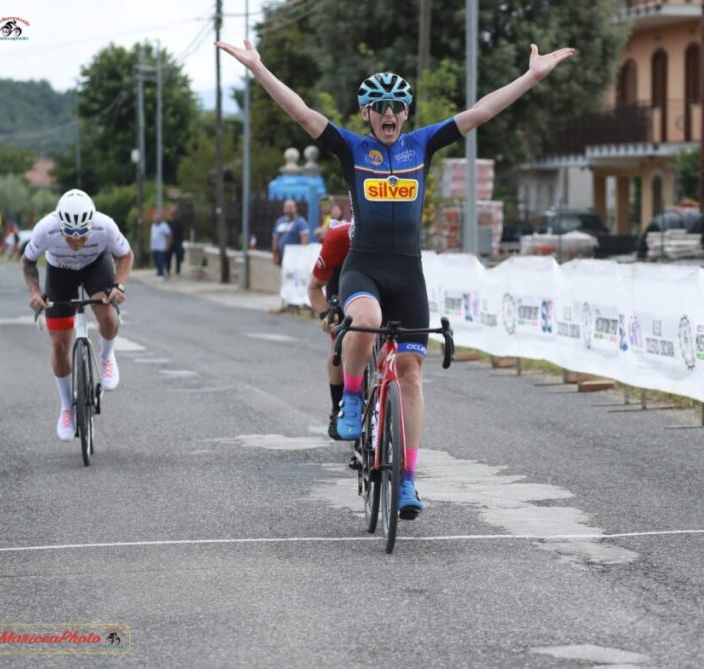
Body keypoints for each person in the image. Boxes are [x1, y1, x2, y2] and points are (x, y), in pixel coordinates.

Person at [217, 37, 575, 519]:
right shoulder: (352, 148)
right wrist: (258, 67)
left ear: (406, 113)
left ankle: (407, 479)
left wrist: (531, 78)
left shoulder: (421, 145)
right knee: (364, 318)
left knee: (411, 376)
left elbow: (480, 112)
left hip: (408, 272)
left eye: (397, 106)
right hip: (365, 267)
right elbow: (302, 113)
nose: (389, 113)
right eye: (379, 107)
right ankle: (348, 402)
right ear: (367, 114)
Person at [22, 189, 133, 441]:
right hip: (60, 271)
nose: (75, 243)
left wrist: (118, 286)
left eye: (81, 237)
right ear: (59, 225)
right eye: (69, 237)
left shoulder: (105, 226)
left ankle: (106, 356)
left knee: (105, 311)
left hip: (96, 265)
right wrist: (36, 292)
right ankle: (66, 407)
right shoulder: (45, 229)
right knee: (60, 345)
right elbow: (28, 262)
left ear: (90, 225)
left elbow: (125, 255)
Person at [307, 221, 352, 439]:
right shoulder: (338, 237)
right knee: (339, 342)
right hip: (342, 280)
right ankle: (337, 409)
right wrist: (326, 315)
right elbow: (314, 287)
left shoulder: (394, 231)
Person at [272, 198, 308, 266]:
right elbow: (275, 238)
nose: (289, 209)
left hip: (295, 258)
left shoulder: (300, 222)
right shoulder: (280, 221)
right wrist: (275, 254)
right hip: (282, 257)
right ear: (284, 209)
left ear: (295, 208)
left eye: (291, 207)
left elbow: (304, 240)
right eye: (287, 207)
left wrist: (303, 255)